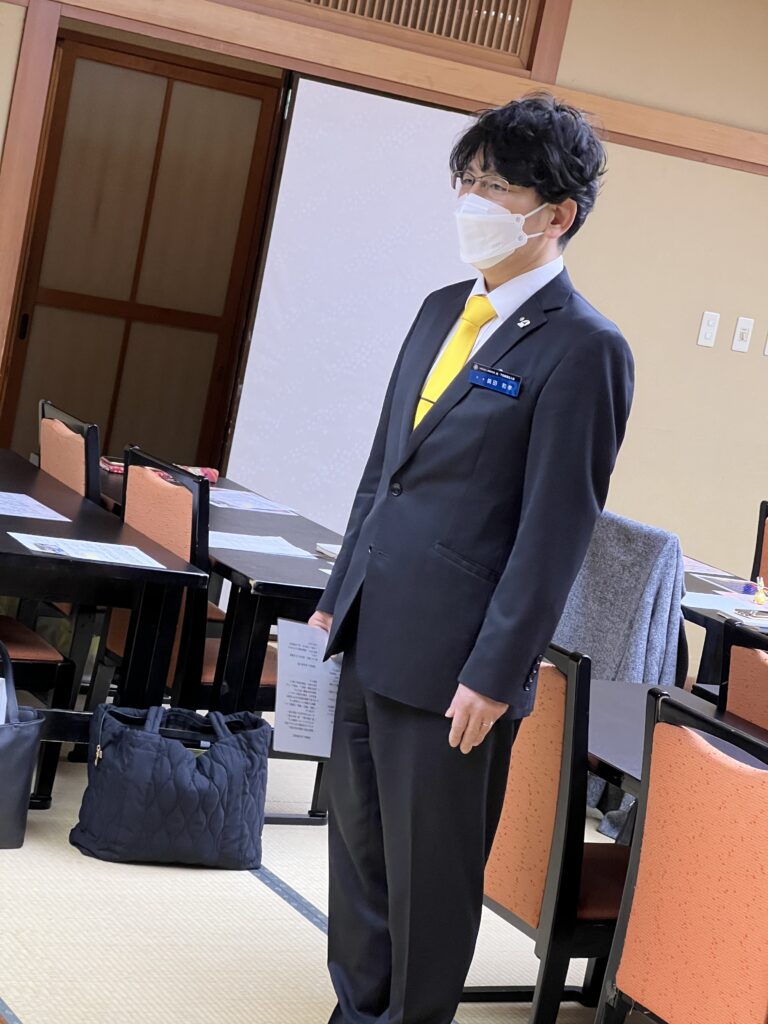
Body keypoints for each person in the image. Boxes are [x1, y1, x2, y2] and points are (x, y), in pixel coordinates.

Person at [309, 91, 635, 1024]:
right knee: (358, 856)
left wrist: (496, 673)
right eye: (467, 180)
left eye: (495, 186)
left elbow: (554, 533)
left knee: (429, 876)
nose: (471, 200)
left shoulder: (585, 348)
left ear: (557, 213)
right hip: (372, 626)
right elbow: (385, 470)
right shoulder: (439, 310)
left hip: (458, 664)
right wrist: (337, 593)